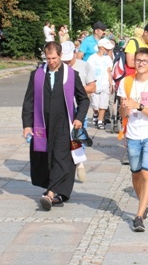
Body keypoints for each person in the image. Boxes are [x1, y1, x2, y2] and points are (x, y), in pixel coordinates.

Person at [21, 41, 90, 210]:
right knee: (45, 159)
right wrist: (27, 125)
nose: (51, 61)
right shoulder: (36, 75)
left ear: (60, 56)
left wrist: (79, 118)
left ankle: (50, 194)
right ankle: (58, 192)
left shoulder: (71, 75)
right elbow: (28, 101)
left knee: (61, 158)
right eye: (48, 58)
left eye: (54, 58)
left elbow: (84, 99)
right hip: (42, 125)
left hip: (64, 124)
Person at [118, 47, 148, 232]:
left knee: (147, 174)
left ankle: (138, 216)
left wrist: (138, 106)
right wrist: (125, 107)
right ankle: (144, 203)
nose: (140, 64)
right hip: (132, 134)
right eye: (138, 60)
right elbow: (122, 113)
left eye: (145, 61)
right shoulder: (126, 82)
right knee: (136, 174)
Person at [61, 41, 96, 183]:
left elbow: (92, 87)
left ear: (75, 54)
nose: (67, 64)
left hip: (78, 108)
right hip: (62, 108)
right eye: (64, 61)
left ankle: (80, 163)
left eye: (69, 61)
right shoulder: (58, 67)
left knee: (77, 137)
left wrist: (75, 87)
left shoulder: (84, 66)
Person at [87, 39, 115, 130]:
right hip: (95, 84)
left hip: (105, 84)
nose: (109, 50)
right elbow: (88, 71)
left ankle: (100, 120)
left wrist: (111, 84)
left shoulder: (107, 58)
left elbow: (109, 72)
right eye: (107, 48)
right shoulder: (92, 58)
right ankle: (95, 113)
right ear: (101, 48)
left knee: (103, 104)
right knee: (95, 105)